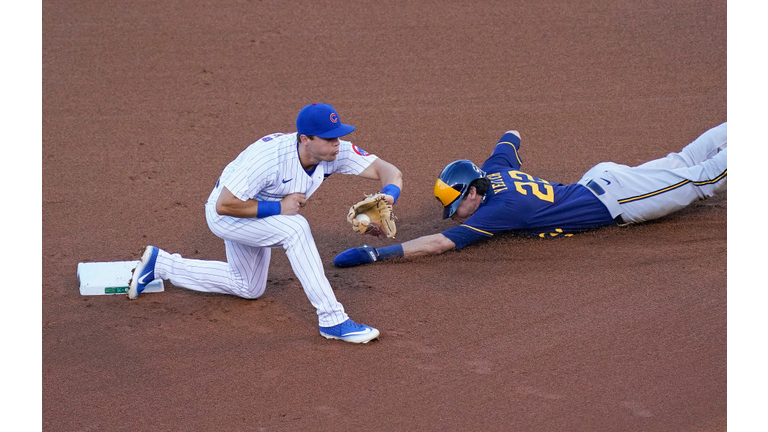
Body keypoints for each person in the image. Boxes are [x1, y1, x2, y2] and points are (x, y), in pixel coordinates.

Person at [129, 103, 403, 344]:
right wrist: (280, 207)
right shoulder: (269, 159)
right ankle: (332, 319)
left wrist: (388, 195)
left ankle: (161, 264)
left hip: (260, 214)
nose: (337, 143)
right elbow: (223, 204)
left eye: (338, 136)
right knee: (296, 228)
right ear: (305, 139)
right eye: (329, 138)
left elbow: (388, 170)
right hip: (229, 215)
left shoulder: (334, 152)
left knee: (248, 286)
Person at [334, 123, 726, 267]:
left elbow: (438, 244)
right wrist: (504, 149)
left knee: (703, 178)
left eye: (457, 205)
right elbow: (512, 135)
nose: (455, 215)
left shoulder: (499, 210)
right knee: (685, 159)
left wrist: (375, 254)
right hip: (607, 180)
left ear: (473, 191)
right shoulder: (495, 171)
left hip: (622, 199)